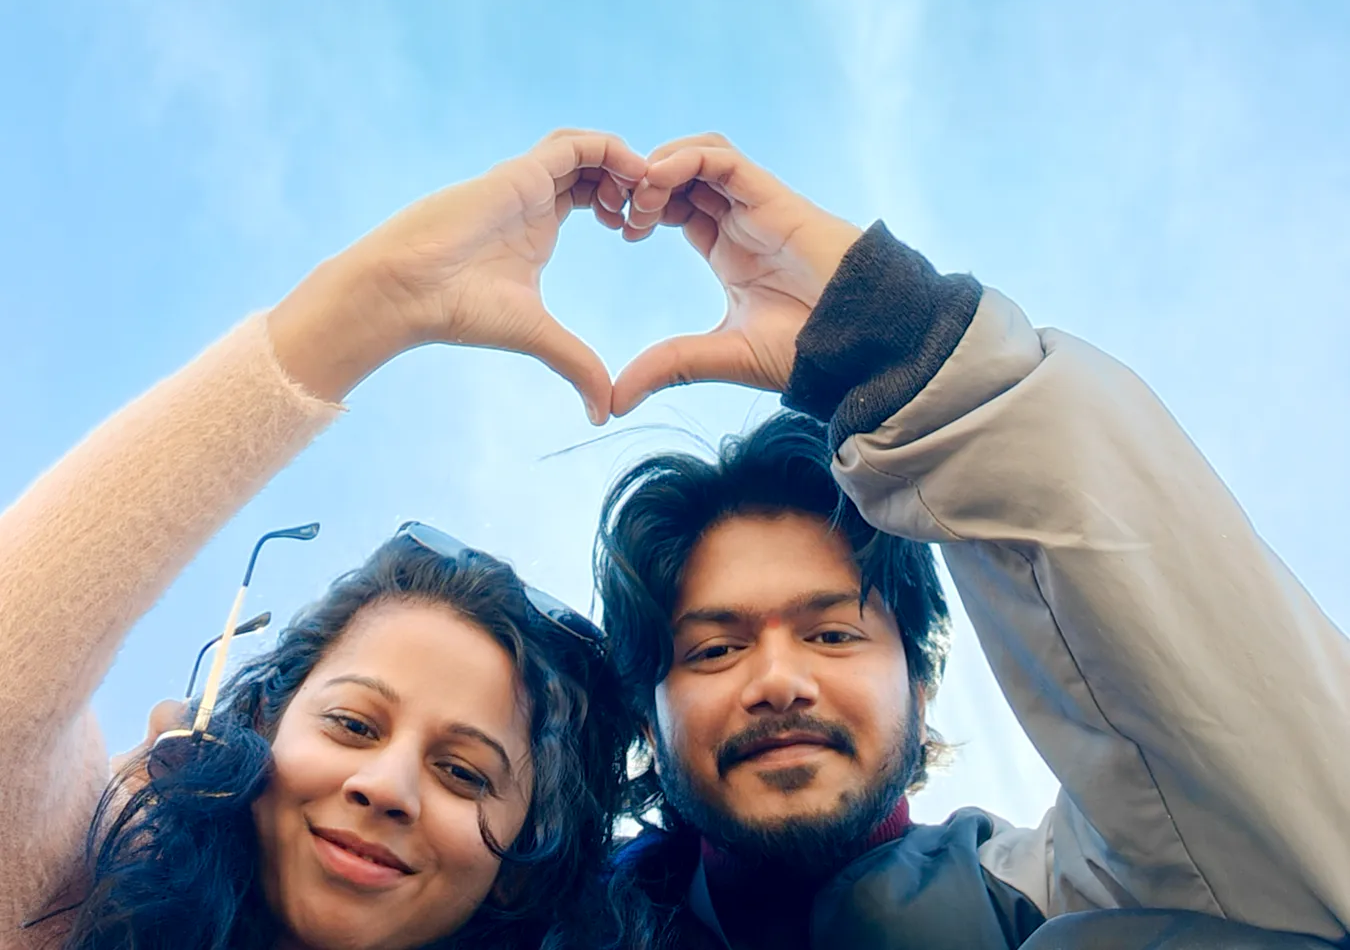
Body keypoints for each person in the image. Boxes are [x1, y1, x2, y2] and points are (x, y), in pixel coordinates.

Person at [595, 134, 1350, 950]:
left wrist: (912, 357)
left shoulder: (1071, 905)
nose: (779, 681)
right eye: (714, 650)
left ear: (921, 693)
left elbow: (1292, 830)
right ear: (649, 724)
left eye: (833, 634)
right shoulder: (541, 922)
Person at [0, 130, 654, 950]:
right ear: (259, 728)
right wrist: (378, 301)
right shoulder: (79, 904)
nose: (387, 787)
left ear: (521, 863)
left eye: (464, 773)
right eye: (352, 724)